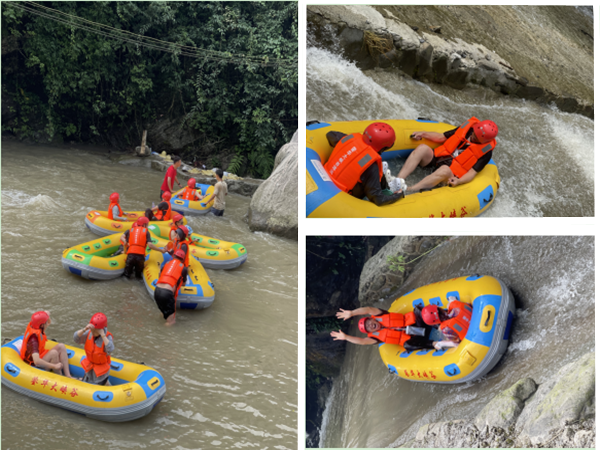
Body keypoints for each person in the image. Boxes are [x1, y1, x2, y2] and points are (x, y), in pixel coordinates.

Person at [397, 118, 498, 193]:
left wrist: (459, 181)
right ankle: (398, 181)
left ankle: (410, 190)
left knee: (444, 169)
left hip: (450, 174)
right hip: (438, 159)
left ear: (484, 141)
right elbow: (442, 137)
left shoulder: (486, 153)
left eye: (476, 137)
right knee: (422, 148)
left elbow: (472, 173)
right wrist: (423, 134)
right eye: (474, 132)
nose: (472, 135)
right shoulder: (467, 129)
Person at [323, 123, 404, 206]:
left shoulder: (348, 138)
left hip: (324, 179)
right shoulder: (371, 166)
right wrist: (399, 195)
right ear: (384, 148)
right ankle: (388, 188)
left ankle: (383, 180)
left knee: (369, 171)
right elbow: (378, 199)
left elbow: (330, 134)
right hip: (342, 194)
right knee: (372, 173)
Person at [330, 306, 434, 352]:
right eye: (367, 328)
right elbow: (362, 341)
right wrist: (346, 337)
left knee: (417, 310)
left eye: (368, 323)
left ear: (371, 318)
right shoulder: (376, 338)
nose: (370, 326)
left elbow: (368, 309)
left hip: (417, 323)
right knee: (408, 345)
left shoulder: (380, 314)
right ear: (370, 332)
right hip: (415, 338)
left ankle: (439, 320)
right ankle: (433, 344)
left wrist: (352, 313)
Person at [20, 311, 75, 378]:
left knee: (61, 346)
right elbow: (36, 361)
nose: (47, 324)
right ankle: (61, 377)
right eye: (46, 323)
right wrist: (54, 366)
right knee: (53, 353)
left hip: (41, 354)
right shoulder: (33, 339)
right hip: (34, 365)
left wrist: (45, 314)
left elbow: (39, 318)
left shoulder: (34, 325)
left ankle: (68, 376)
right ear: (42, 325)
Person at [73, 313, 114, 386]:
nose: (93, 332)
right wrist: (84, 329)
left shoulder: (107, 337)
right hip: (90, 369)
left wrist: (103, 335)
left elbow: (110, 349)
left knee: (99, 385)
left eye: (95, 331)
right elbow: (76, 339)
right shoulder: (89, 332)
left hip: (101, 373)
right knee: (86, 382)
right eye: (92, 330)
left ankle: (107, 385)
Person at [154, 249, 188, 325]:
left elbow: (159, 275)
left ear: (173, 256)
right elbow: (183, 284)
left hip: (157, 290)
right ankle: (164, 334)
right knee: (171, 321)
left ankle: (160, 324)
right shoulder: (183, 268)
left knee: (163, 313)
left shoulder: (166, 264)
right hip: (167, 293)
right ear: (182, 259)